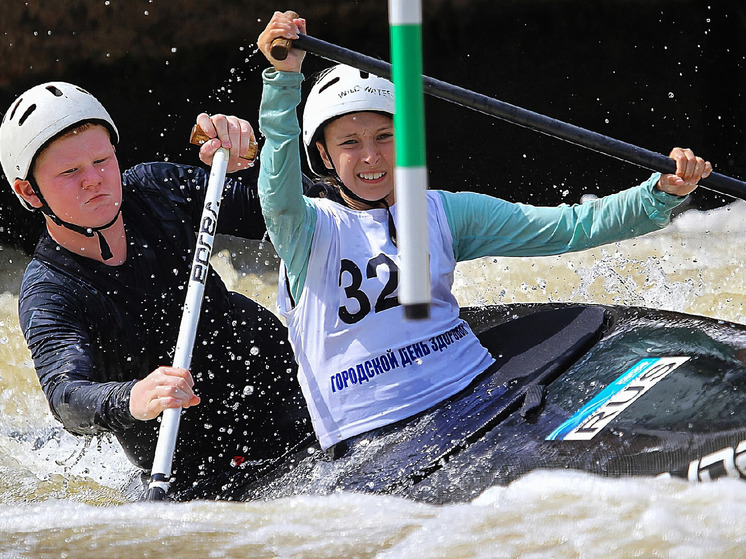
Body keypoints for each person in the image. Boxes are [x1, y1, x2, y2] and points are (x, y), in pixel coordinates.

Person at [255, 11, 712, 452]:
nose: (371, 157)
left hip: (478, 390)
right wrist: (283, 80)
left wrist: (660, 194)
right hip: (372, 433)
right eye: (350, 144)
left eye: (385, 137)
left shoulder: (444, 213)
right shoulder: (306, 227)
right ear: (324, 155)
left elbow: (569, 227)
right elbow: (276, 186)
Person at [0, 81, 313, 500]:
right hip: (195, 468)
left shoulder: (155, 188)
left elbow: (302, 215)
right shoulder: (49, 291)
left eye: (101, 160)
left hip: (293, 399)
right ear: (29, 192)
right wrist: (133, 396)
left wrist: (256, 162)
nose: (94, 180)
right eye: (70, 172)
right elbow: (67, 396)